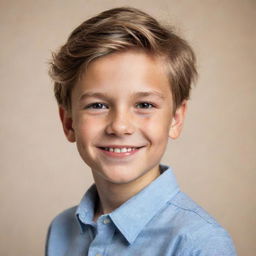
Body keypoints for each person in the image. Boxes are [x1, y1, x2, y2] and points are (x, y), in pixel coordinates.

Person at [45, 7, 237, 256]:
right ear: (69, 123)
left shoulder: (200, 243)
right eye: (98, 105)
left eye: (144, 105)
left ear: (175, 120)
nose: (120, 126)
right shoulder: (61, 230)